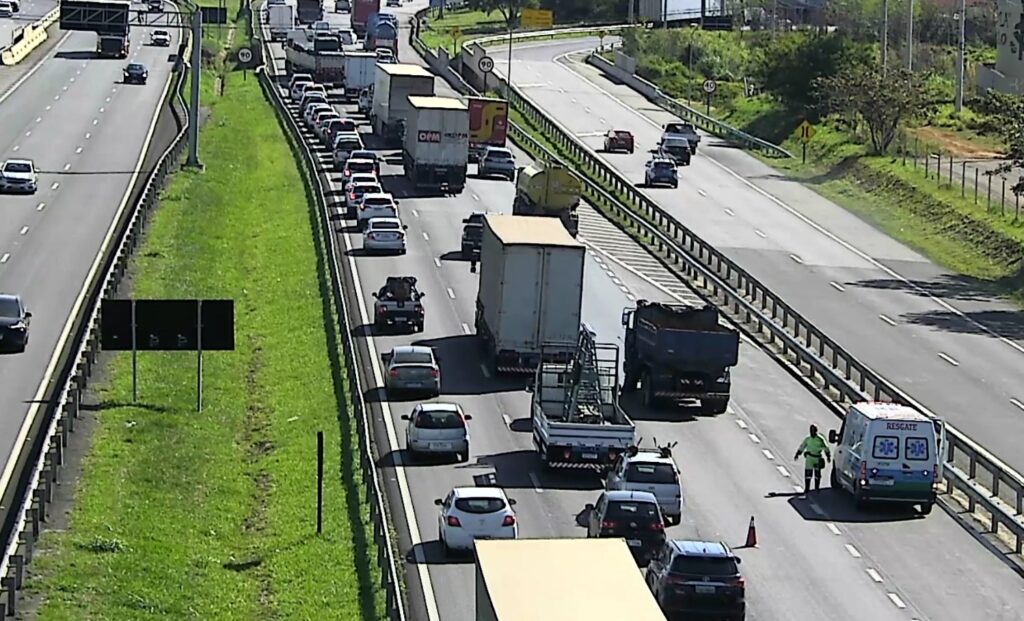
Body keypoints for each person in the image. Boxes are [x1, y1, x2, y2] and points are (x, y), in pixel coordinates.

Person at [794, 424, 831, 492]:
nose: (812, 432)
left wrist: (828, 456)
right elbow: (802, 446)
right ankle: (807, 488)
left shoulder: (820, 439)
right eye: (811, 430)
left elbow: (826, 448)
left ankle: (817, 488)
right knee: (808, 474)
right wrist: (798, 454)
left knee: (817, 474)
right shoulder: (808, 439)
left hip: (817, 458)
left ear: (816, 431)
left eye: (814, 430)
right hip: (809, 458)